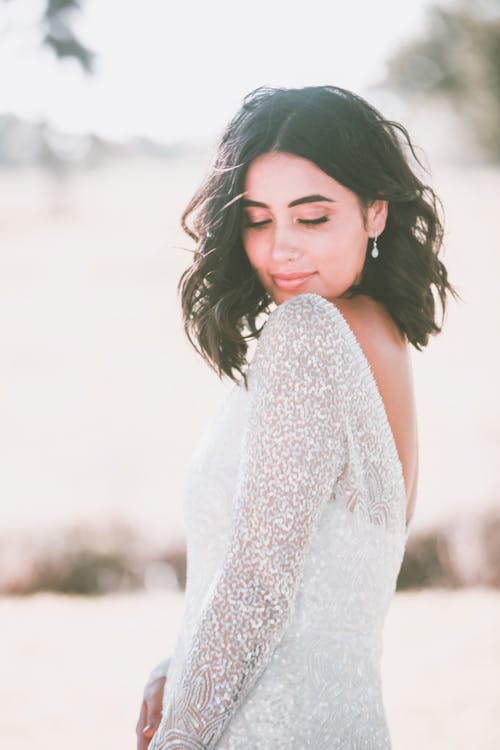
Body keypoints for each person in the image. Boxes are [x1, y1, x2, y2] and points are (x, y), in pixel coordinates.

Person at [135, 85, 458, 749]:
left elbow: (259, 580)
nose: (280, 249)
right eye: (257, 219)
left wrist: (182, 737)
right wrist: (181, 665)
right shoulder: (377, 334)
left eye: (311, 218)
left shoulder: (310, 332)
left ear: (375, 212)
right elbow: (312, 565)